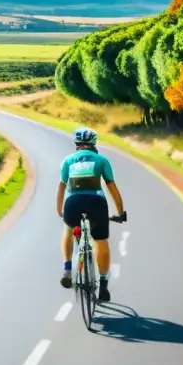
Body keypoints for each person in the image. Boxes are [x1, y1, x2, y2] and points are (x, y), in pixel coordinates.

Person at [56, 127, 126, 303]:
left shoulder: (68, 161)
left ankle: (67, 269)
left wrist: (60, 210)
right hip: (96, 202)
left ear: (77, 144)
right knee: (101, 241)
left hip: (73, 202)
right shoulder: (101, 160)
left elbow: (61, 186)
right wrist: (120, 212)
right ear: (94, 143)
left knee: (68, 230)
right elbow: (112, 188)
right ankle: (103, 284)